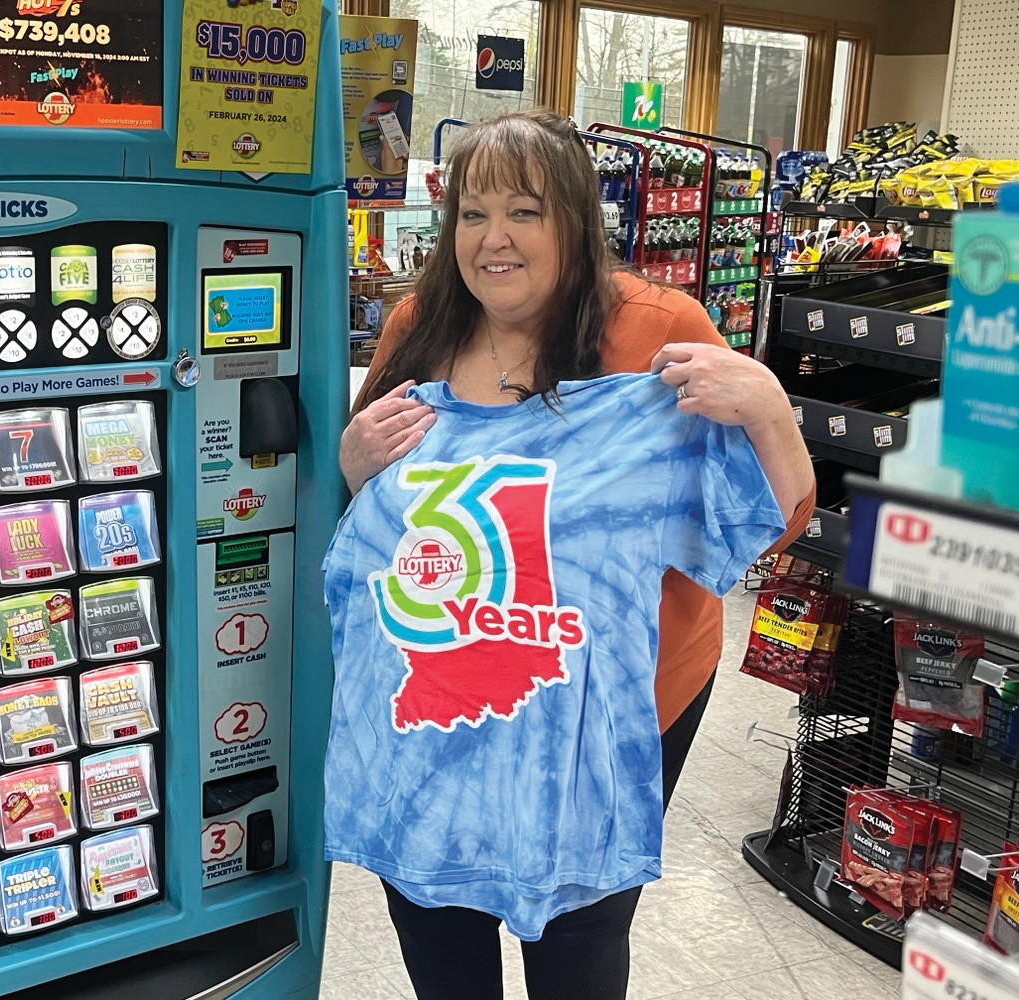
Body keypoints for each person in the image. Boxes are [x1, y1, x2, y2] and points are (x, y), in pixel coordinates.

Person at [328, 111, 815, 1000]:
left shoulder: (655, 331)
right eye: (473, 215)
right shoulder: (420, 325)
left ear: (577, 221)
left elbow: (759, 521)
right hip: (447, 687)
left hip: (619, 695)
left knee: (578, 932)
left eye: (526, 211)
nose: (494, 239)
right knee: (436, 909)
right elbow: (365, 504)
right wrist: (352, 466)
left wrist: (773, 411)